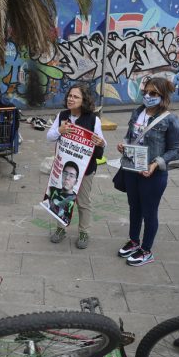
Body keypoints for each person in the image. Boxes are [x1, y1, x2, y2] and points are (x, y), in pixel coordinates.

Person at [117, 77, 179, 266]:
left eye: (153, 93)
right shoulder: (137, 112)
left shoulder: (171, 119)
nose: (147, 96)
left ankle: (146, 250)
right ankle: (134, 241)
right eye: (145, 92)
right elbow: (130, 136)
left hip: (153, 174)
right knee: (134, 207)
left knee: (149, 211)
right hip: (132, 169)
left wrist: (155, 164)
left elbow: (175, 150)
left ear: (162, 96)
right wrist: (124, 144)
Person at [46, 84, 106, 249]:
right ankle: (60, 228)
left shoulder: (93, 119)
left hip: (85, 169)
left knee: (83, 202)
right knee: (61, 197)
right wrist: (60, 130)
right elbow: (49, 137)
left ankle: (84, 232)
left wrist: (100, 142)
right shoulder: (62, 116)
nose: (70, 99)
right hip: (64, 167)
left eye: (75, 97)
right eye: (70, 96)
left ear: (84, 100)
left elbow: (102, 142)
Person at [48, 161, 79, 226]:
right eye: (65, 173)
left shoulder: (75, 201)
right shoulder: (52, 190)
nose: (67, 178)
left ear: (76, 182)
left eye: (71, 176)